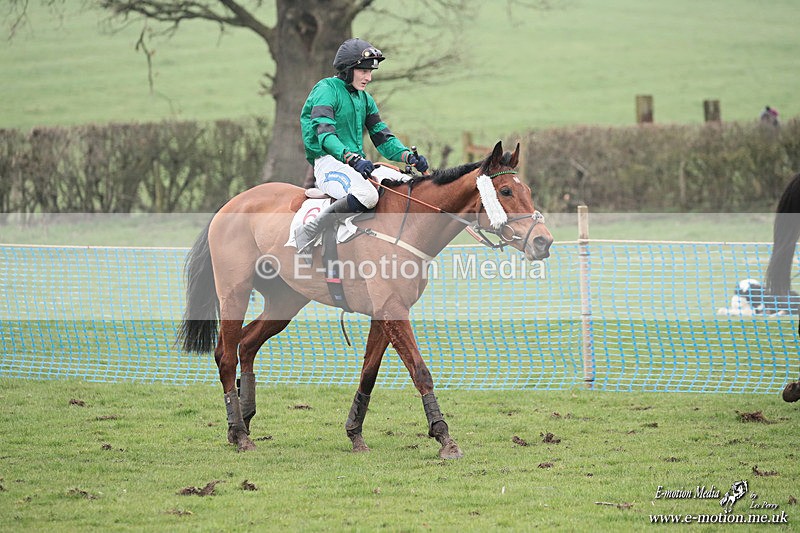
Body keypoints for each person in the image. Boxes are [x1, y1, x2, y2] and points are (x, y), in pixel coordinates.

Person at [294, 38, 429, 253]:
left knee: (408, 184)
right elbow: (325, 136)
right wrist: (351, 158)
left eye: (371, 72)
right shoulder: (325, 90)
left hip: (356, 163)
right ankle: (310, 230)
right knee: (367, 195)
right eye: (363, 71)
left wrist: (407, 157)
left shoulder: (365, 99)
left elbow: (383, 138)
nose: (369, 77)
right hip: (329, 164)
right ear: (348, 69)